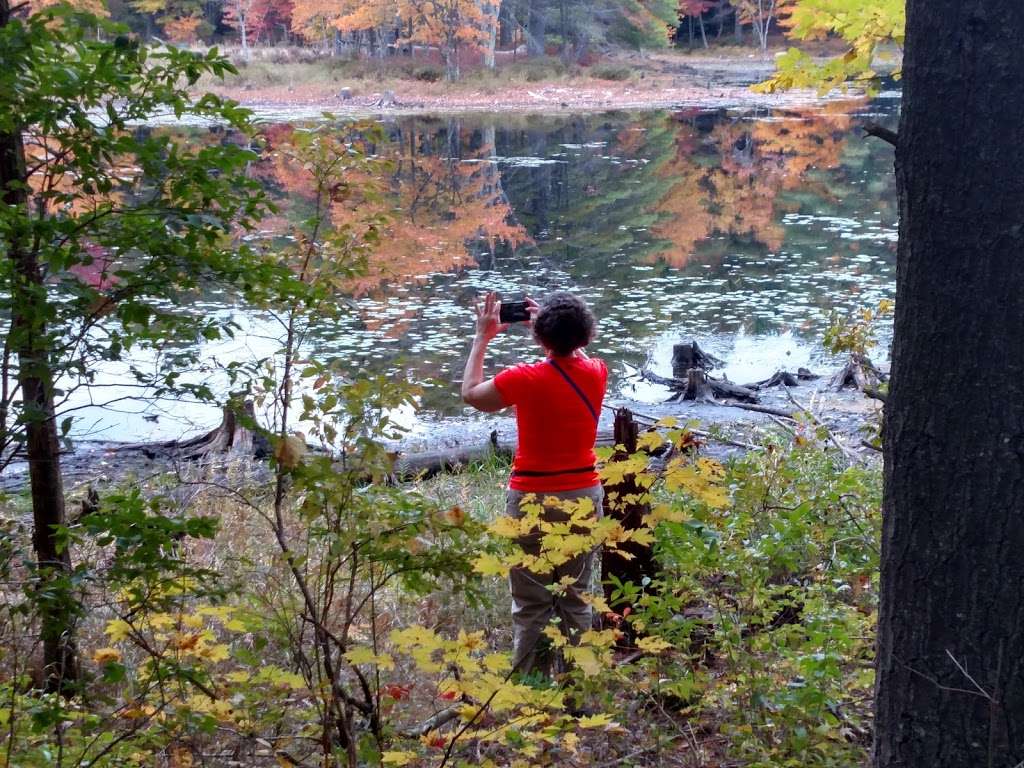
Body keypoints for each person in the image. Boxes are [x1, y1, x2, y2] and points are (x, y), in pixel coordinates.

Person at [461, 290, 607, 675]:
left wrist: (482, 338)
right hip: (583, 496)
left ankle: (531, 690)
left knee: (531, 603)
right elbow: (577, 353)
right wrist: (547, 330)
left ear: (540, 337)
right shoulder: (597, 372)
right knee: (576, 598)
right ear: (587, 335)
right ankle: (580, 689)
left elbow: (472, 395)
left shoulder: (523, 378)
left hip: (532, 499)